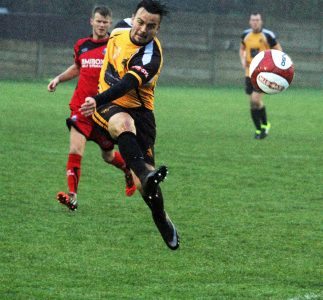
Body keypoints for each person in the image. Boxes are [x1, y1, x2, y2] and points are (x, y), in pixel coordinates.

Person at [80, 0, 179, 250]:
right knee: (122, 123)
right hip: (108, 105)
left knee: (145, 187)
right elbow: (114, 90)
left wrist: (96, 98)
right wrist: (96, 99)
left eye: (152, 26)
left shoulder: (151, 56)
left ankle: (161, 218)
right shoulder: (120, 28)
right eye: (141, 21)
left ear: (158, 29)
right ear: (132, 17)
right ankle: (145, 174)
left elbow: (125, 85)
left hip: (141, 114)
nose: (144, 29)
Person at [47, 5, 136, 211]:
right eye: (99, 21)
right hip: (81, 108)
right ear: (92, 21)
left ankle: (127, 170)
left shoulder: (115, 46)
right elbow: (78, 67)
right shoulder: (82, 45)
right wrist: (59, 78)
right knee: (75, 149)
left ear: (109, 24)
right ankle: (73, 197)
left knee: (108, 155)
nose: (102, 25)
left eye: (105, 22)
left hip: (104, 110)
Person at [239, 12, 282, 139]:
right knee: (253, 104)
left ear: (261, 21)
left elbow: (279, 51)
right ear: (249, 21)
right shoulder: (245, 35)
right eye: (253, 20)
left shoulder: (268, 35)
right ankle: (260, 129)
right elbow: (242, 48)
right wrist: (243, 60)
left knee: (255, 99)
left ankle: (265, 125)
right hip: (248, 73)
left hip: (263, 73)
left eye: (257, 20)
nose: (255, 22)